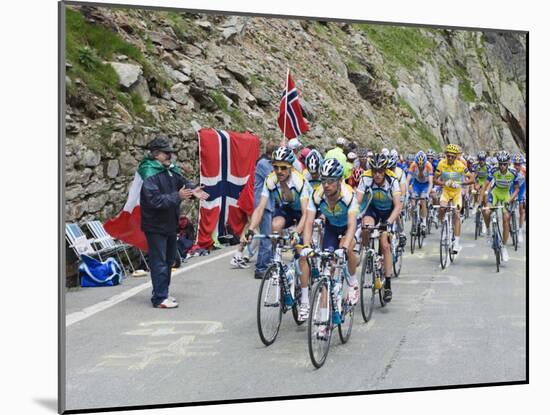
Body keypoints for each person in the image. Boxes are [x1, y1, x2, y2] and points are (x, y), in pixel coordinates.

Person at [140, 135, 209, 308]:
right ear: (156, 154)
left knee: (169, 259)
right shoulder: (149, 173)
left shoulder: (170, 170)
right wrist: (177, 196)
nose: (169, 156)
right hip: (155, 224)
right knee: (159, 261)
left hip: (170, 223)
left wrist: (194, 190)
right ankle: (159, 298)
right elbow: (154, 201)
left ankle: (164, 293)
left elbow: (184, 183)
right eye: (166, 153)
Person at [247, 146, 312, 319]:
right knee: (274, 227)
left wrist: (296, 232)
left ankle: (305, 301)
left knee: (301, 253)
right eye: (276, 167)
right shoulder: (271, 180)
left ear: (291, 167)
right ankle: (278, 259)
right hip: (287, 209)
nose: (279, 171)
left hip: (305, 211)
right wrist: (251, 228)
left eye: (283, 167)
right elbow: (260, 207)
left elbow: (306, 214)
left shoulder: (300, 182)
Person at [301, 158, 360, 337]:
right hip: (332, 228)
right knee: (327, 271)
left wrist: (344, 246)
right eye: (323, 180)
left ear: (340, 181)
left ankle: (352, 281)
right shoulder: (317, 195)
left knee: (346, 248)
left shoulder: (349, 196)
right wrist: (305, 245)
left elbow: (351, 226)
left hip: (348, 227)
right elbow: (309, 222)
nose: (326, 185)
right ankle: (323, 321)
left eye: (330, 181)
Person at [356, 154, 402, 302]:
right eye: (374, 171)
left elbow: (398, 206)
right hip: (374, 209)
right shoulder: (366, 177)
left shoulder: (392, 180)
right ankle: (366, 251)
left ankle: (387, 284)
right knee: (365, 226)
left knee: (384, 244)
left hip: (388, 212)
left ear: (385, 170)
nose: (377, 174)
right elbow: (358, 201)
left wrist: (388, 222)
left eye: (380, 171)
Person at [433, 144, 474, 253]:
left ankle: (456, 243)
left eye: (452, 156)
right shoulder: (441, 164)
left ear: (456, 156)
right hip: (446, 192)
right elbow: (434, 180)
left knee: (456, 213)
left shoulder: (460, 165)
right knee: (442, 208)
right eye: (448, 156)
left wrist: (460, 183)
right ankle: (444, 226)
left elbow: (471, 179)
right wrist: (443, 183)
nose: (450, 158)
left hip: (456, 193)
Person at [482, 150, 519, 262]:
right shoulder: (493, 170)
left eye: (505, 164)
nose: (502, 166)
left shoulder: (513, 172)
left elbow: (517, 189)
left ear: (508, 163)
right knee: (487, 212)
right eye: (500, 164)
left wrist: (510, 199)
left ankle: (504, 248)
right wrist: (486, 193)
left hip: (506, 195)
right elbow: (487, 184)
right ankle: (488, 230)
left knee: (506, 219)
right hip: (496, 193)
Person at [406, 151, 434, 233]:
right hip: (416, 184)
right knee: (413, 201)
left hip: (425, 184)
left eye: (422, 166)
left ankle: (424, 222)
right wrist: (407, 192)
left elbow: (431, 183)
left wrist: (427, 194)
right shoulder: (413, 165)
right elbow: (407, 181)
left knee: (423, 200)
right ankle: (414, 220)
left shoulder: (428, 165)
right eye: (419, 165)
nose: (420, 167)